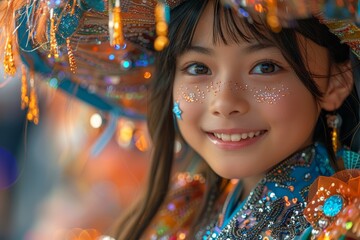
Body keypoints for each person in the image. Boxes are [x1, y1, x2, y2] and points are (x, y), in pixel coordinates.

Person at [108, 0, 360, 239]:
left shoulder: (346, 224)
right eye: (198, 68)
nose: (224, 103)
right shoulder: (183, 211)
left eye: (265, 67)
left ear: (336, 83)